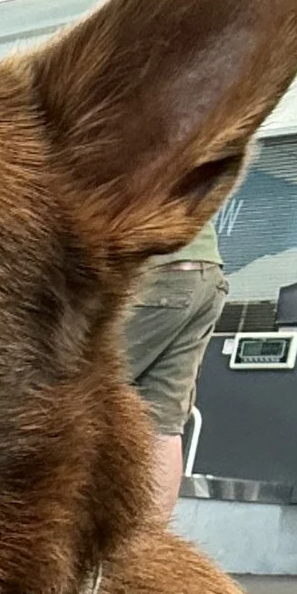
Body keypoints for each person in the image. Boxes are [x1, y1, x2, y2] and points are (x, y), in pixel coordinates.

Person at [121, 210, 228, 522]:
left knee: (66, 391)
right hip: (205, 272)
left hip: (154, 269)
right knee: (163, 421)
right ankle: (147, 552)